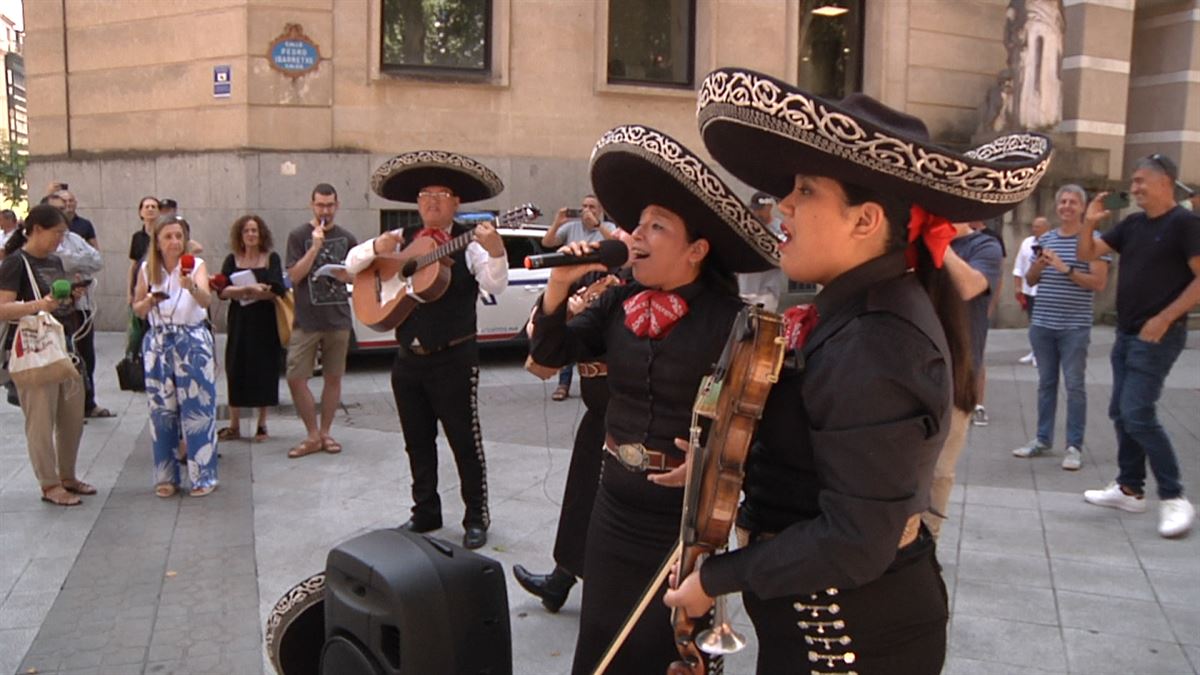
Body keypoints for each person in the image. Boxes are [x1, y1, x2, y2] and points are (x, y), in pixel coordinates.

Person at [663, 68, 1051, 673]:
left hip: (851, 643)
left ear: (866, 221)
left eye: (807, 191)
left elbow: (855, 538)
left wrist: (717, 577)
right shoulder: (851, 311)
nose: (783, 205)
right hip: (817, 625)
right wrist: (716, 461)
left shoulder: (879, 340)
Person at [528, 125, 778, 674]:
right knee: (599, 643)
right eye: (636, 225)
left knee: (662, 653)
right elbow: (551, 352)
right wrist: (558, 287)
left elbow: (764, 426)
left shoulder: (733, 322)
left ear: (696, 250)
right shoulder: (619, 300)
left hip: (682, 523)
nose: (635, 236)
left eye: (656, 227)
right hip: (613, 505)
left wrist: (709, 463)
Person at [345, 151, 509, 550]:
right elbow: (352, 265)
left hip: (454, 357)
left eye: (443, 193)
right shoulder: (400, 240)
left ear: (456, 203)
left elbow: (495, 285)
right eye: (425, 194)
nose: (433, 201)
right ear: (417, 203)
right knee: (417, 441)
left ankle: (475, 517)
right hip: (408, 360)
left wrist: (498, 249)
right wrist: (375, 247)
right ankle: (426, 511)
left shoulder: (467, 245)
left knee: (463, 441)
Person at [1078, 154, 1200, 538]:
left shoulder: (1186, 224)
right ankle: (1130, 489)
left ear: (1165, 181)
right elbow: (1087, 254)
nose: (1133, 189)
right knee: (1120, 411)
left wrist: (1165, 317)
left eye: (1139, 181)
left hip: (1159, 335)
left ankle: (1175, 496)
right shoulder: (1131, 224)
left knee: (1137, 412)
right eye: (1132, 182)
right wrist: (1090, 223)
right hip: (1127, 333)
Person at [513, 265, 629, 612]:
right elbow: (537, 337)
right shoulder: (585, 277)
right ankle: (561, 579)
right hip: (597, 412)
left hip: (626, 413)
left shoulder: (631, 286)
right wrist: (567, 305)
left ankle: (598, 588)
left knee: (609, 504)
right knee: (581, 494)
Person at [0, 204, 95, 506]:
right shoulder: (15, 263)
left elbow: (57, 301)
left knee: (72, 416)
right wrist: (39, 304)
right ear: (37, 229)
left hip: (64, 345)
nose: (59, 240)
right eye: (56, 234)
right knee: (40, 421)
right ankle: (49, 483)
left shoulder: (54, 261)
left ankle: (68, 475)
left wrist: (70, 296)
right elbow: (3, 308)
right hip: (32, 350)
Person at [1012, 185, 1110, 470]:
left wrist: (1065, 268)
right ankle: (1042, 440)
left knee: (1075, 385)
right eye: (1063, 202)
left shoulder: (1093, 241)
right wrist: (1041, 265)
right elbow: (1030, 280)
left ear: (1082, 208)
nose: (1067, 206)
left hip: (1074, 327)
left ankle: (1074, 446)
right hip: (1042, 324)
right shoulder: (1047, 239)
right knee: (1046, 384)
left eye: (1073, 202)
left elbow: (1099, 283)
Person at [132, 215, 219, 497]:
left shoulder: (196, 266)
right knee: (162, 412)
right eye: (168, 237)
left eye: (178, 236)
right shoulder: (147, 269)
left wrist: (190, 286)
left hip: (191, 341)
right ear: (157, 241)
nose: (174, 242)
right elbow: (137, 309)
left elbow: (206, 300)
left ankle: (203, 476)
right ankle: (167, 476)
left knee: (197, 410)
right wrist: (149, 301)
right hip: (158, 343)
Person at [284, 184, 357, 459]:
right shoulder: (298, 236)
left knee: (333, 377)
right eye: (320, 205)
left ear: (337, 205)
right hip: (307, 319)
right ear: (311, 205)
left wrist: (345, 276)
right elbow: (294, 276)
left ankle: (325, 432)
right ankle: (311, 433)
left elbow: (358, 276)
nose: (325, 210)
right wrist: (314, 249)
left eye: (329, 205)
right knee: (295, 376)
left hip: (337, 317)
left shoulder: (347, 238)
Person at [540, 194, 617, 401]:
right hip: (572, 284)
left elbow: (618, 247)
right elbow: (547, 242)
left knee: (589, 332)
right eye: (583, 206)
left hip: (599, 284)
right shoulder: (571, 228)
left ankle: (595, 377)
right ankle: (563, 383)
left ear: (600, 210)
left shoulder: (608, 228)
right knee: (567, 328)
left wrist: (598, 225)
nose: (586, 210)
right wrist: (557, 222)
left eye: (591, 206)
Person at [217, 215, 286, 442]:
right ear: (240, 235)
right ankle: (234, 424)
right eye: (247, 231)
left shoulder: (270, 258)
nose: (251, 234)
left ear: (261, 233)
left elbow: (276, 289)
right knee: (235, 367)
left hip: (264, 321)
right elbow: (222, 290)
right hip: (240, 321)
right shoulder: (232, 259)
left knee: (264, 369)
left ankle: (262, 424)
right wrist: (249, 289)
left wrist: (250, 291)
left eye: (255, 230)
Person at [952, 221, 1004, 427]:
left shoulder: (986, 245)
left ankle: (978, 405)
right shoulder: (915, 241)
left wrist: (938, 244)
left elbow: (969, 287)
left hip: (960, 366)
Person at [736, 191, 787, 311]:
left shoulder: (781, 229)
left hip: (767, 292)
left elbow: (782, 254)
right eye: (754, 209)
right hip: (744, 290)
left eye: (760, 209)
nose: (756, 213)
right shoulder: (746, 227)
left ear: (769, 207)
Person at [1013, 215, 1050, 365]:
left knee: (1043, 323)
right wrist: (1018, 286)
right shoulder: (1027, 243)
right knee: (1033, 323)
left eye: (1038, 226)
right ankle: (1035, 350)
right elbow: (1019, 265)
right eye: (1033, 226)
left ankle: (1042, 353)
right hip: (1029, 289)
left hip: (1045, 291)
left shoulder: (1052, 243)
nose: (1034, 229)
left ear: (1046, 228)